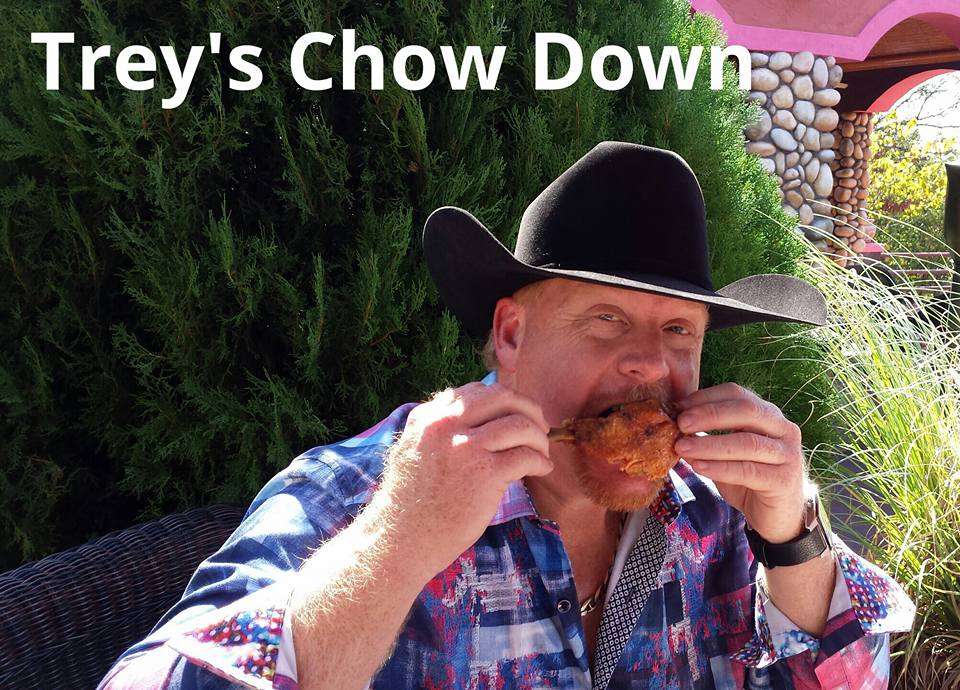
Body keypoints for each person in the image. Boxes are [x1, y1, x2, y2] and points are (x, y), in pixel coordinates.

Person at [99, 142, 914, 690]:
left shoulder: (720, 512)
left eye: (678, 331)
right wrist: (398, 547)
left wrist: (794, 539)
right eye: (606, 319)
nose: (649, 364)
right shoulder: (364, 494)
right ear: (511, 334)